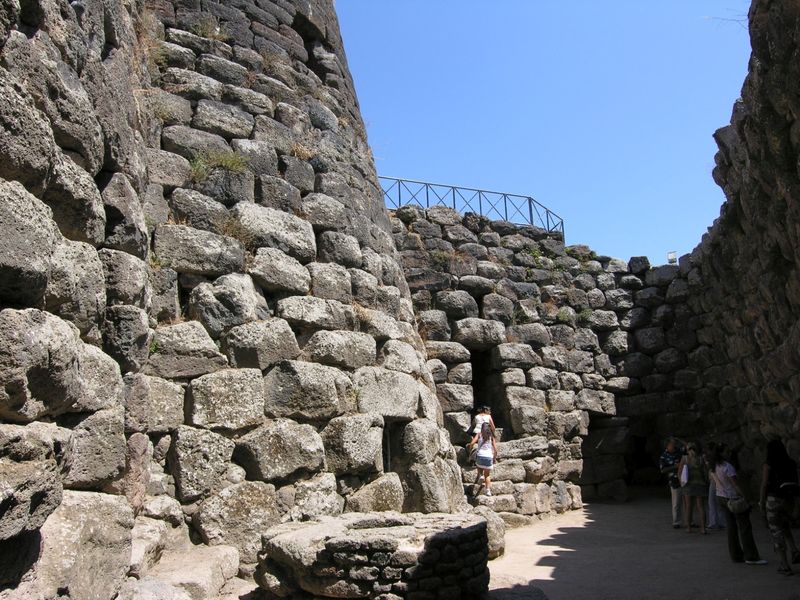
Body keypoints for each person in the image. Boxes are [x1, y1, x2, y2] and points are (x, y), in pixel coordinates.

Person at [708, 445, 767, 565]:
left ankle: (736, 555)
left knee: (731, 527)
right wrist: (746, 498)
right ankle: (751, 555)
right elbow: (736, 485)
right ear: (722, 453)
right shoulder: (727, 467)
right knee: (744, 526)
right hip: (733, 497)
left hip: (721, 496)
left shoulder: (713, 466)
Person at [759, 439, 800, 575]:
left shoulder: (769, 464)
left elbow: (764, 484)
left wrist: (761, 503)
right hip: (789, 501)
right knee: (785, 525)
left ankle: (784, 564)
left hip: (773, 499)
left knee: (776, 531)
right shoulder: (791, 463)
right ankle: (794, 550)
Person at [677, 442, 708, 533]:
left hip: (688, 485)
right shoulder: (701, 459)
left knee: (689, 507)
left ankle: (689, 527)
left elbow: (679, 473)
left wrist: (681, 482)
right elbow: (705, 473)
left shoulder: (685, 458)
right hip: (700, 484)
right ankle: (703, 528)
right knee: (701, 507)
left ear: (688, 450)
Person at [659, 437, 684, 528]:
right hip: (674, 481)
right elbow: (663, 470)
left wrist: (678, 439)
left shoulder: (680, 452)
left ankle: (689, 521)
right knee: (676, 502)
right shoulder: (664, 456)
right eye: (672, 444)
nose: (674, 445)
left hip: (685, 479)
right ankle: (676, 521)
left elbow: (688, 447)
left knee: (688, 502)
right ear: (668, 445)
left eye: (674, 444)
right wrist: (675, 466)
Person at [469, 422, 497, 496]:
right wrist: (494, 458)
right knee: (487, 475)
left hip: (480, 455)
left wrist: (470, 449)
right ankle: (488, 491)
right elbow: (495, 449)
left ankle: (481, 474)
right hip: (489, 456)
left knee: (478, 465)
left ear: (482, 428)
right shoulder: (492, 436)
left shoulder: (479, 434)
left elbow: (472, 443)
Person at [704, 442, 725, 530]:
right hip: (718, 480)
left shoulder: (711, 459)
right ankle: (721, 522)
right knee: (718, 502)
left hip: (714, 480)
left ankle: (714, 522)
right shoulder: (717, 458)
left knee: (713, 502)